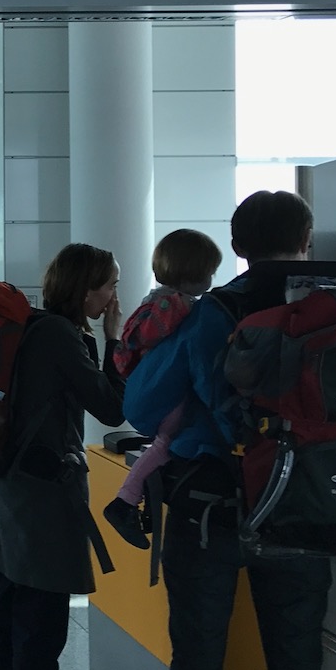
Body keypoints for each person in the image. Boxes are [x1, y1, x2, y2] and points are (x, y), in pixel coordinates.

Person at [123, 190, 336, 670]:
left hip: (211, 512)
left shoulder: (217, 311)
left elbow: (140, 405)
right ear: (307, 239)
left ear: (238, 247)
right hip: (309, 506)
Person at [0, 242, 124, 670]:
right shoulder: (63, 336)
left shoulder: (34, 328)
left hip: (10, 493)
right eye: (109, 285)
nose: (114, 297)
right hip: (42, 504)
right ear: (86, 290)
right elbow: (111, 407)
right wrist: (114, 341)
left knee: (8, 619)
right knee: (41, 633)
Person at [101, 229, 224, 548]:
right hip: (167, 396)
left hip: (153, 390)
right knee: (165, 445)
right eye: (209, 272)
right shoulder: (177, 307)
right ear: (194, 274)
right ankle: (125, 501)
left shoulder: (157, 300)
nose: (212, 279)